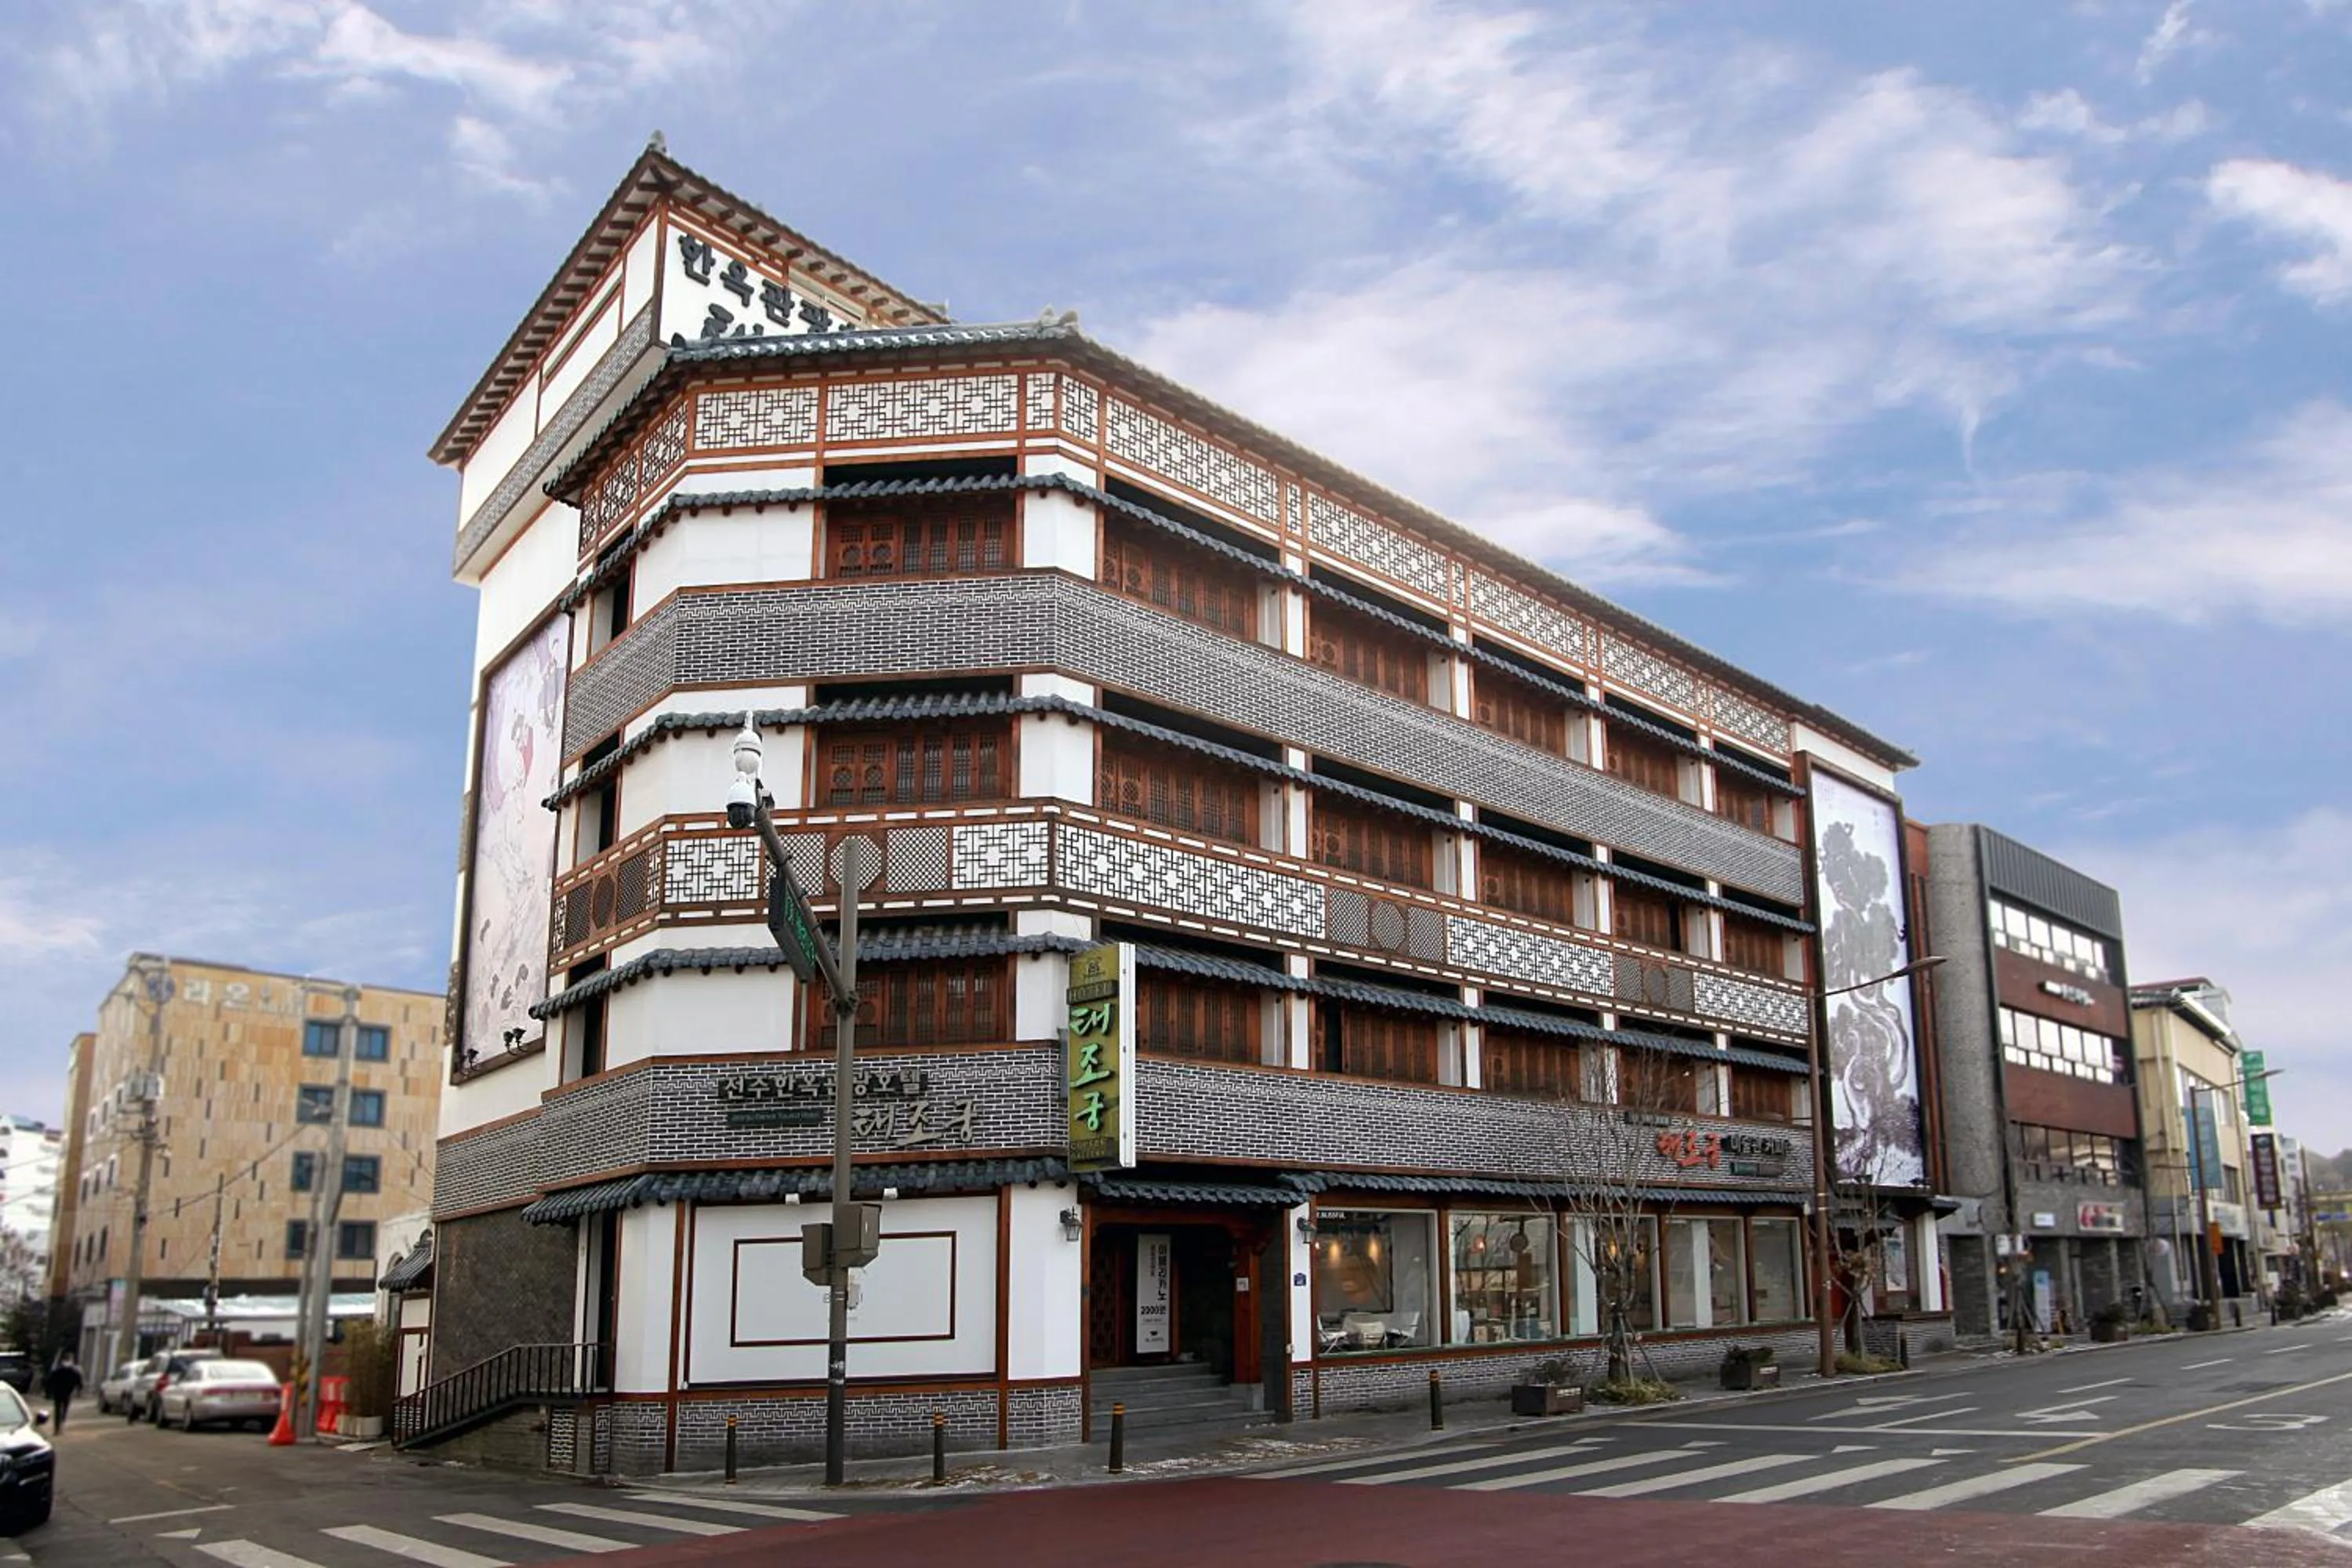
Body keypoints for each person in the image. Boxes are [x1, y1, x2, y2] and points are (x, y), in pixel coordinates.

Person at [41, 1354, 82, 1434]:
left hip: (58, 1392)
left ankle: (57, 1428)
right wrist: (78, 1391)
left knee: (58, 1409)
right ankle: (61, 1423)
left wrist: (47, 1392)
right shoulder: (74, 1371)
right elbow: (79, 1382)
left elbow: (50, 1381)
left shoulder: (57, 1370)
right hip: (67, 1392)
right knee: (65, 1408)